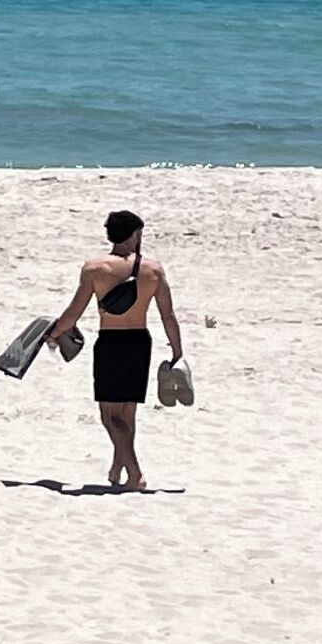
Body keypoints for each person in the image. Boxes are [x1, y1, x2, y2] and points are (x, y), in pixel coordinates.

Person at [44, 209, 186, 491]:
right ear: (134, 235)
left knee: (110, 416)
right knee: (128, 414)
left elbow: (74, 312)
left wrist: (53, 332)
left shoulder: (95, 269)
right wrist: (177, 354)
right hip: (140, 342)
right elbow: (168, 315)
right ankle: (117, 467)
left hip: (111, 342)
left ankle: (135, 474)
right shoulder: (153, 270)